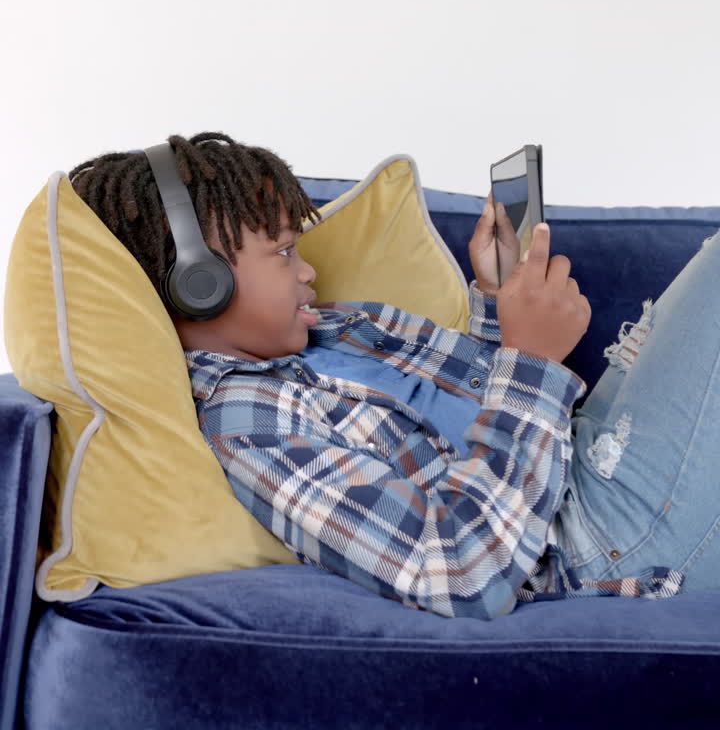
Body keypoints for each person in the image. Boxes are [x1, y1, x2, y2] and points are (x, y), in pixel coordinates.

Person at [70, 131, 720, 619]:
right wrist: (534, 363)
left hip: (578, 458)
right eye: (284, 252)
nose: (307, 271)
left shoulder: (339, 323)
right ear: (199, 284)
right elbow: (461, 571)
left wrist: (498, 305)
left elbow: (472, 421)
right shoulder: (249, 422)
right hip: (588, 542)